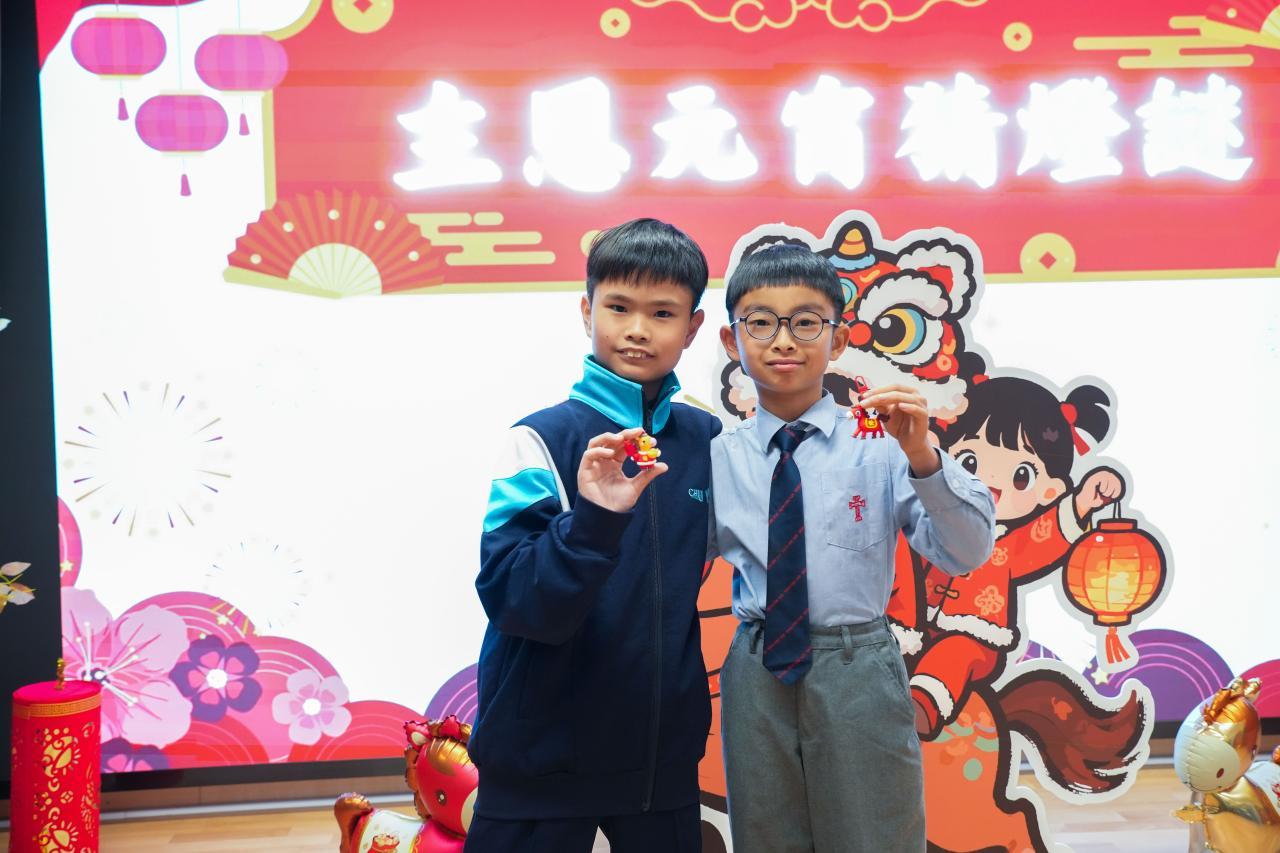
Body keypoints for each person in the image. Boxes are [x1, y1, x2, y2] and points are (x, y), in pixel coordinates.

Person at [709, 243, 996, 853]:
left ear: (837, 340)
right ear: (733, 342)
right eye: (760, 322)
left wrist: (923, 456)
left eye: (806, 322)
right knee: (765, 837)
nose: (783, 341)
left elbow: (966, 553)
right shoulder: (717, 458)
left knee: (875, 836)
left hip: (855, 665)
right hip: (757, 667)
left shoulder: (885, 444)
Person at [465, 218, 718, 853]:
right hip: (538, 762)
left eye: (662, 313)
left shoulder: (706, 441)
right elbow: (515, 601)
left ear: (692, 328)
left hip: (659, 765)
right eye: (619, 307)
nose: (638, 329)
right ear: (587, 311)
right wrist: (594, 522)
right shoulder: (540, 439)